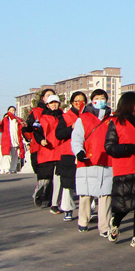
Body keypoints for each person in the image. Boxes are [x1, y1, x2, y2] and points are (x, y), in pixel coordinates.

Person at [104, 92, 135, 245]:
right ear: (129, 103)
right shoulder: (116, 122)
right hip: (124, 169)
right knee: (124, 205)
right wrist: (127, 148)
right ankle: (115, 223)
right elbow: (109, 147)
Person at [73, 89, 114, 237]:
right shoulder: (83, 118)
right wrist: (79, 151)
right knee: (85, 195)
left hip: (107, 160)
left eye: (102, 98)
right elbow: (77, 137)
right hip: (88, 160)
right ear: (92, 100)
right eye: (97, 98)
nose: (100, 100)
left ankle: (104, 226)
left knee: (105, 196)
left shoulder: (112, 118)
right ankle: (83, 220)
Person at [52, 91, 86, 219]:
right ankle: (68, 208)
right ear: (72, 102)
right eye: (76, 100)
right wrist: (71, 127)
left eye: (81, 100)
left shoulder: (88, 116)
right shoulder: (65, 117)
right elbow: (58, 134)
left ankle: (90, 209)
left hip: (85, 152)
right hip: (68, 152)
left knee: (87, 182)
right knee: (68, 182)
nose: (79, 103)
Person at [33, 95, 66, 208]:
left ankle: (53, 201)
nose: (54, 105)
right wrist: (41, 140)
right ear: (47, 105)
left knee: (57, 178)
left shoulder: (63, 117)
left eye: (56, 102)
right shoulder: (40, 118)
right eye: (51, 103)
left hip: (60, 150)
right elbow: (36, 131)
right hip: (46, 150)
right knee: (46, 177)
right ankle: (40, 192)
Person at [0, 106, 25, 174]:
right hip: (7, 140)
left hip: (16, 139)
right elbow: (0, 129)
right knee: (7, 155)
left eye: (13, 110)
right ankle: (6, 168)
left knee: (15, 155)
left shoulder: (17, 120)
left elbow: (21, 129)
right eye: (10, 110)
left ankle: (13, 168)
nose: (12, 111)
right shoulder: (5, 119)